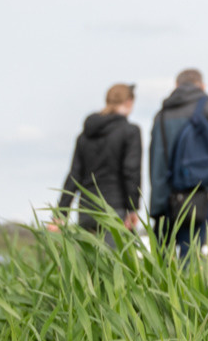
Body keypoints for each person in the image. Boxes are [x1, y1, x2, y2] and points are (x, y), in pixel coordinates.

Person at [148, 68, 208, 259]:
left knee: (160, 259)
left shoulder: (161, 114)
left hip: (164, 198)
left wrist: (156, 201)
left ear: (176, 86)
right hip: (199, 196)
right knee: (191, 257)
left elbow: (155, 158)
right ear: (202, 86)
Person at [54, 83, 142, 238]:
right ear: (129, 102)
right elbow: (131, 171)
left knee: (91, 262)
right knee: (117, 261)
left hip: (86, 211)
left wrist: (61, 212)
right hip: (115, 210)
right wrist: (133, 208)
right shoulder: (130, 132)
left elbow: (74, 175)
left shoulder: (85, 135)